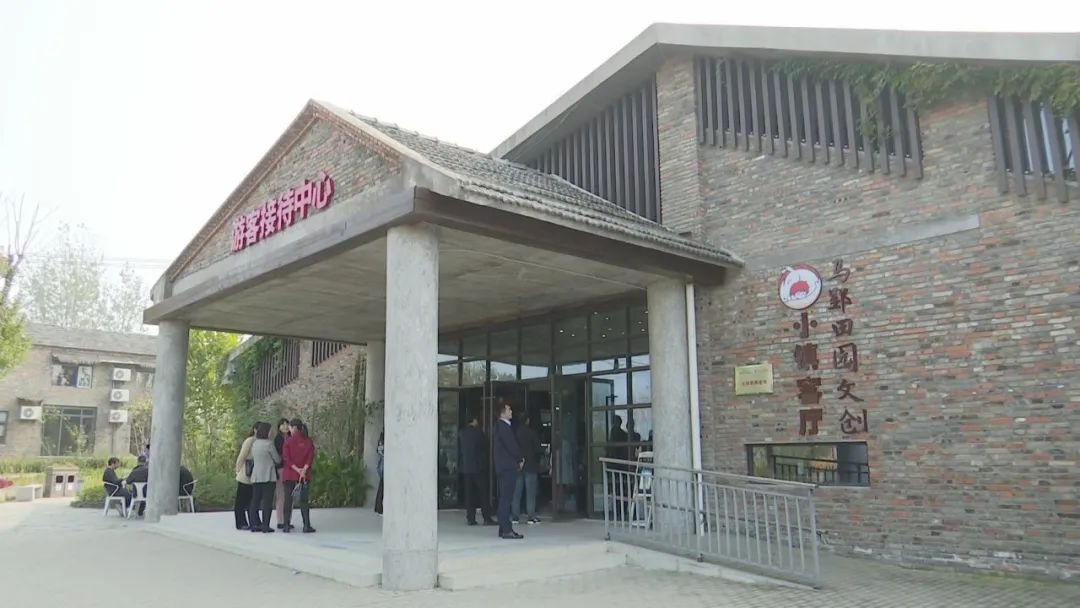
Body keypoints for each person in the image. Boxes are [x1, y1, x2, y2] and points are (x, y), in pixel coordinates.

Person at [493, 400, 523, 539]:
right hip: (507, 467)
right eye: (509, 409)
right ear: (503, 412)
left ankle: (503, 528)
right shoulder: (503, 427)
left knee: (504, 498)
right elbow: (512, 446)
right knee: (506, 499)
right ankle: (506, 529)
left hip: (503, 467)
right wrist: (520, 458)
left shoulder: (500, 426)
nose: (511, 412)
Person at [459, 413, 495, 526]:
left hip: (466, 467)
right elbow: (485, 447)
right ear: (474, 420)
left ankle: (470, 518)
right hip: (478, 467)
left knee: (469, 494)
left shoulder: (462, 433)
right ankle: (486, 517)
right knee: (483, 493)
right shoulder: (478, 433)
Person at [282, 418, 316, 533]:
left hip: (290, 474)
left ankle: (286, 525)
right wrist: (303, 470)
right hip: (304, 476)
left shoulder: (288, 441)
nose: (289, 430)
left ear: (294, 428)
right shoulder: (308, 441)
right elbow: (310, 457)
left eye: (290, 427)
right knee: (304, 501)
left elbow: (286, 458)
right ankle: (306, 525)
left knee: (288, 500)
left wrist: (296, 469)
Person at [248, 421, 280, 533]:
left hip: (256, 475)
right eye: (270, 430)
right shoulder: (269, 444)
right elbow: (277, 459)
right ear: (266, 431)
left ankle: (253, 524)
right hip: (268, 475)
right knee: (267, 501)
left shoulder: (255, 444)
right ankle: (265, 525)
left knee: (255, 501)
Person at [512, 413, 541, 525]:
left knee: (516, 493)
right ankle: (531, 516)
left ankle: (515, 516)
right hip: (530, 465)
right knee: (530, 493)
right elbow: (537, 449)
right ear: (527, 421)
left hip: (518, 466)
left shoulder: (515, 434)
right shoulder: (531, 433)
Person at [233, 424, 257, 530]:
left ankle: (251, 521)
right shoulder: (250, 440)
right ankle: (240, 522)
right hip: (245, 473)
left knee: (251, 500)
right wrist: (238, 469)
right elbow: (242, 456)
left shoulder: (262, 441)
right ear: (255, 430)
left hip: (255, 474)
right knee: (241, 500)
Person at [273, 418, 290, 529]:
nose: (285, 426)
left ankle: (287, 520)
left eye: (286, 424)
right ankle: (280, 520)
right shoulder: (278, 439)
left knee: (289, 495)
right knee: (281, 495)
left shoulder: (292, 438)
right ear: (279, 427)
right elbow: (278, 456)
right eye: (282, 424)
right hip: (281, 468)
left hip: (291, 469)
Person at [373, 432, 384, 515]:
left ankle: (378, 508)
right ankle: (379, 509)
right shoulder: (383, 445)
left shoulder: (380, 445)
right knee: (381, 490)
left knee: (381, 489)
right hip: (383, 469)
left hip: (381, 468)